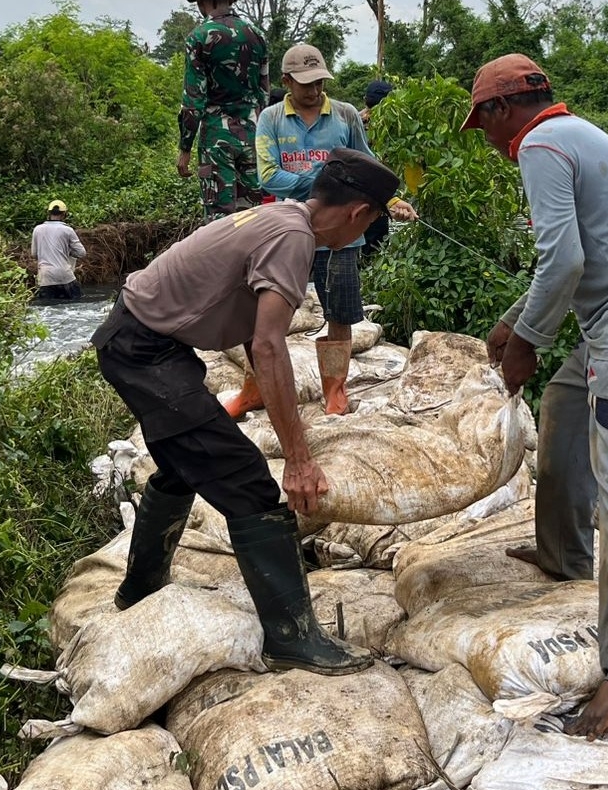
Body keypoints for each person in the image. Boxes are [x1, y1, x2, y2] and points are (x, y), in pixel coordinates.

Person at [460, 54, 608, 740]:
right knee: (565, 403)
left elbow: (563, 260)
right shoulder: (576, 134)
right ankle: (563, 551)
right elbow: (579, 258)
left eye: (483, 123)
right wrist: (515, 320)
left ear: (501, 109)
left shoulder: (540, 145)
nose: (486, 139)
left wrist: (526, 341)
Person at [90, 149, 400, 675]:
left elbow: (259, 339)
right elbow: (270, 345)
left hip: (143, 343)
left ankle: (139, 589)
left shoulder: (284, 217)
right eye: (371, 222)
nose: (365, 232)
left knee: (186, 462)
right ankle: (293, 638)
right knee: (249, 482)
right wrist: (298, 459)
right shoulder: (293, 239)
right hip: (144, 352)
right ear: (358, 212)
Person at [232, 44, 417, 417]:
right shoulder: (270, 119)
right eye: (306, 84)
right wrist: (328, 184)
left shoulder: (345, 115)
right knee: (263, 313)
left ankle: (335, 389)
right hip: (287, 233)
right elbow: (268, 176)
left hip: (342, 236)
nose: (315, 91)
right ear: (286, 81)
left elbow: (367, 166)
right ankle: (256, 387)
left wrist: (391, 200)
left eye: (320, 82)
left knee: (341, 313)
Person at [176, 0, 269, 220]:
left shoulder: (198, 38)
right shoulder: (258, 36)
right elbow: (264, 94)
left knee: (220, 219)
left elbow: (193, 101)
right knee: (252, 216)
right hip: (253, 135)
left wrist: (185, 148)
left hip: (216, 138)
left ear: (201, 1)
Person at [359, 80, 394, 261]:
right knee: (375, 245)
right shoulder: (389, 125)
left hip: (360, 194)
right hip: (374, 193)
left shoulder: (354, 119)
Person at [30, 200, 87, 302]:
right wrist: (68, 252)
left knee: (48, 307)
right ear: (64, 214)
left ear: (48, 213)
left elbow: (34, 254)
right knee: (76, 304)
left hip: (45, 277)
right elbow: (81, 253)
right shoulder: (67, 230)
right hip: (64, 275)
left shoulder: (37, 229)